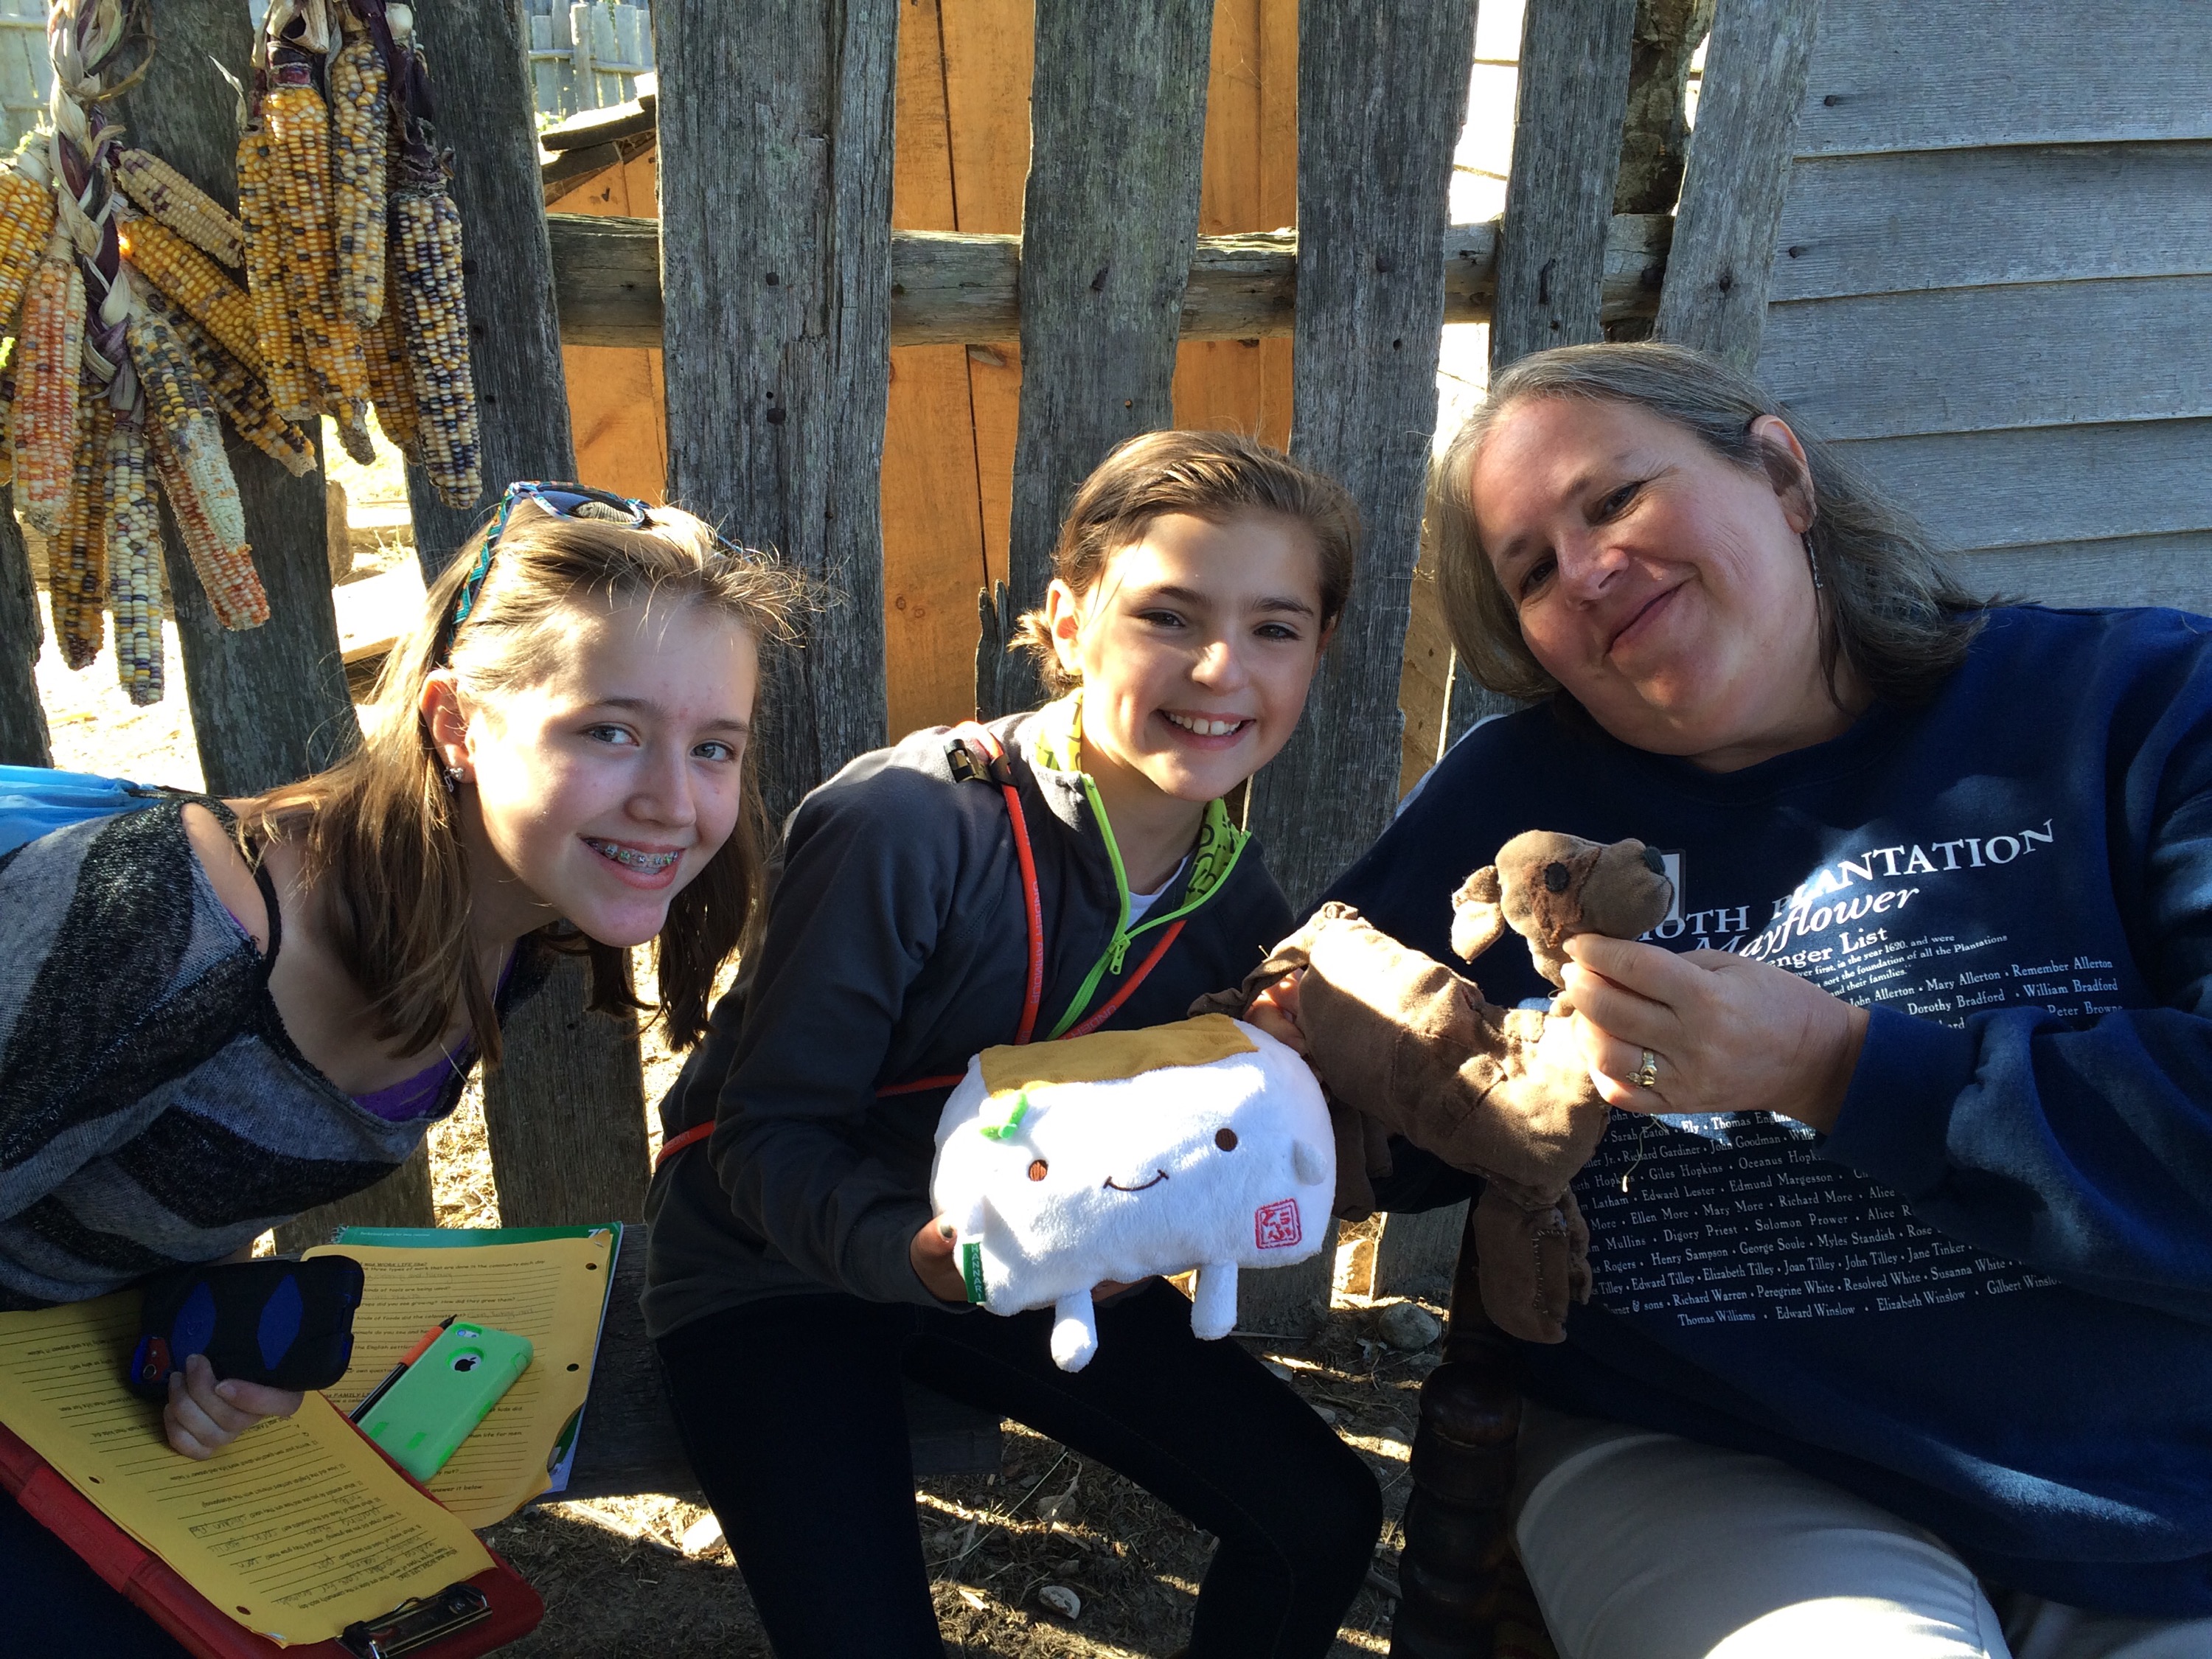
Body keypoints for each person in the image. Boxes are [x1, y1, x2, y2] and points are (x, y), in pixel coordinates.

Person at [1293, 341, 2212, 1659]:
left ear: (1781, 474)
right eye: (1533, 571)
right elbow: (1347, 1072)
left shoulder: (2135, 704)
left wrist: (1838, 1065)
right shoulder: (1519, 806)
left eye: (1616, 499)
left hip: (2161, 1494)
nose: (1587, 570)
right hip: (1713, 1458)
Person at [0, 483, 802, 1657]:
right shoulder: (171, 924)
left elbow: (160, 1164)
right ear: (457, 723)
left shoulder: (512, 931)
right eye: (609, 730)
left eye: (714, 747)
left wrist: (204, 1329)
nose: (674, 802)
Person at [645, 431, 1385, 1658]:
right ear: (1070, 619)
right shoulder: (906, 825)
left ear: (1317, 652)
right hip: (769, 1267)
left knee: (1322, 1519)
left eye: (1275, 627)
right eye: (1168, 614)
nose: (1220, 667)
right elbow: (762, 1141)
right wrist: (919, 1257)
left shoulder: (1240, 910)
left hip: (1032, 1254)